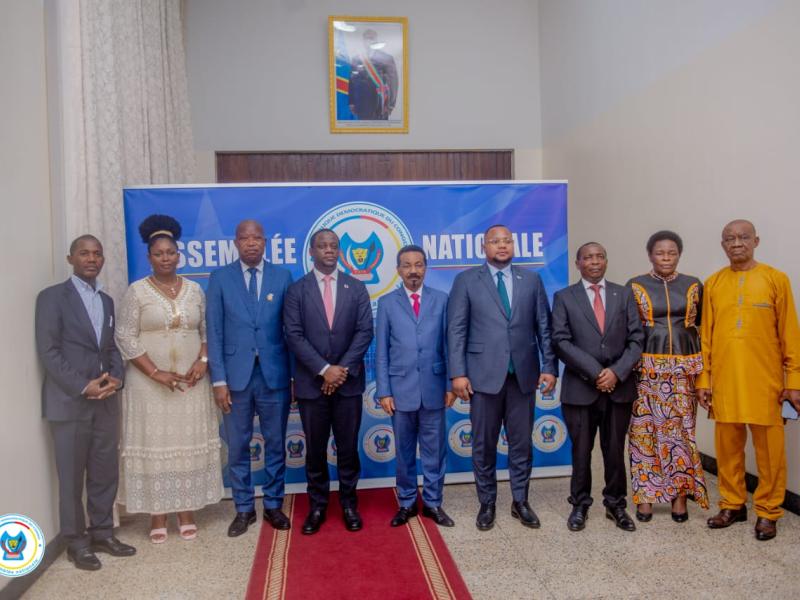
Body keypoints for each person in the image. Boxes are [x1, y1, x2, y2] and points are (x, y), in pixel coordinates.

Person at [116, 215, 223, 543]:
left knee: (186, 445)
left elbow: (207, 330)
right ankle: (157, 516)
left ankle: (187, 511)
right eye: (159, 253)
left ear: (179, 256)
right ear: (149, 258)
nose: (166, 258)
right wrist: (155, 372)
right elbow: (125, 336)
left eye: (171, 253)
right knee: (155, 444)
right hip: (148, 386)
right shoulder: (136, 291)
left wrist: (203, 361)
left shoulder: (195, 290)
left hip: (189, 384)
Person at [447, 224, 557, 531]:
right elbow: (456, 329)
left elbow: (544, 328)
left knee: (521, 443)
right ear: (484, 247)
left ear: (514, 245)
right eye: (495, 241)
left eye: (507, 240)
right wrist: (458, 373)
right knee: (483, 444)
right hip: (482, 378)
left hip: (523, 377)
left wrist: (549, 367)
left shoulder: (531, 280)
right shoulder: (466, 280)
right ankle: (487, 502)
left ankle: (520, 500)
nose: (502, 245)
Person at [35, 235, 135, 570]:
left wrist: (117, 377)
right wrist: (83, 387)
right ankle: (76, 543)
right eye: (84, 253)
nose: (91, 259)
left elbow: (109, 349)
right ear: (71, 259)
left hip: (106, 402)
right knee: (71, 477)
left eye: (97, 253)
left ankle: (102, 533)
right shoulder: (51, 299)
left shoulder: (106, 301)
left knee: (104, 472)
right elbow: (48, 352)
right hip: (69, 403)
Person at [697, 219, 800, 541]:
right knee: (728, 450)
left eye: (743, 237)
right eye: (729, 238)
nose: (736, 243)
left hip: (767, 383)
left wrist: (793, 381)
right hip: (725, 383)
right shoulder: (713, 283)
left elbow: (790, 335)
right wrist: (704, 381)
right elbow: (706, 338)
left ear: (756, 240)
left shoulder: (775, 279)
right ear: (722, 245)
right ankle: (733, 504)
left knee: (770, 453)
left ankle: (768, 511)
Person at [205, 219, 294, 536]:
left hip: (275, 376)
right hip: (235, 379)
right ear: (236, 242)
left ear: (265, 242)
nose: (251, 242)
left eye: (257, 237)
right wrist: (218, 380)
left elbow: (291, 331)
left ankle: (273, 505)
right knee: (238, 446)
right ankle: (243, 509)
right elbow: (213, 332)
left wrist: (294, 376)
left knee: (275, 445)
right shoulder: (219, 279)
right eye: (245, 237)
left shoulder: (282, 277)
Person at [283, 229, 373, 535]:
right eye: (322, 246)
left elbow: (364, 332)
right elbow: (293, 335)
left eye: (334, 246)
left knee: (348, 448)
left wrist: (340, 370)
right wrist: (324, 369)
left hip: (348, 384)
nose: (329, 250)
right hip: (312, 384)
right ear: (312, 251)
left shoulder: (357, 288)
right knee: (316, 450)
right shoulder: (297, 291)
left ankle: (349, 504)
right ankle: (318, 506)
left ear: (340, 251)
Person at [551, 242, 643, 532]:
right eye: (588, 258)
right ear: (578, 263)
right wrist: (595, 372)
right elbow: (560, 341)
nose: (594, 262)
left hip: (619, 388)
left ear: (606, 261)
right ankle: (579, 504)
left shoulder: (623, 293)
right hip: (580, 389)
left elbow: (636, 339)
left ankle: (616, 504)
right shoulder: (564, 297)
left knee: (615, 450)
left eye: (600, 256)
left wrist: (616, 372)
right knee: (581, 451)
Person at [627, 231, 709, 522]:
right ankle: (646, 498)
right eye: (660, 252)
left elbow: (705, 328)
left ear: (679, 255)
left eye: (671, 253)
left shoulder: (694, 285)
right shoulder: (636, 285)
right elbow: (628, 330)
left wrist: (704, 378)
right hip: (646, 372)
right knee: (644, 434)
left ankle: (679, 497)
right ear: (650, 255)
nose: (665, 257)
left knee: (681, 435)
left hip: (684, 373)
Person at [376, 245, 456, 527]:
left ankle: (433, 503)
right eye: (407, 265)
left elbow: (449, 346)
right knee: (405, 452)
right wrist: (383, 390)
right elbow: (382, 351)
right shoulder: (387, 303)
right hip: (399, 391)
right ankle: (407, 502)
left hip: (435, 389)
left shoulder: (442, 300)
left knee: (435, 452)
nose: (413, 270)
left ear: (425, 268)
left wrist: (449, 384)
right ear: (398, 270)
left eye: (418, 264)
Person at [348, 28, 399, 120]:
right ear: (363, 41)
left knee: (381, 132)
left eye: (372, 38)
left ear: (376, 40)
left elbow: (393, 82)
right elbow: (352, 82)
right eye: (366, 38)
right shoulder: (356, 59)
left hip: (380, 103)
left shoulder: (386, 58)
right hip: (361, 103)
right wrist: (352, 102)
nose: (369, 40)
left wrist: (391, 104)